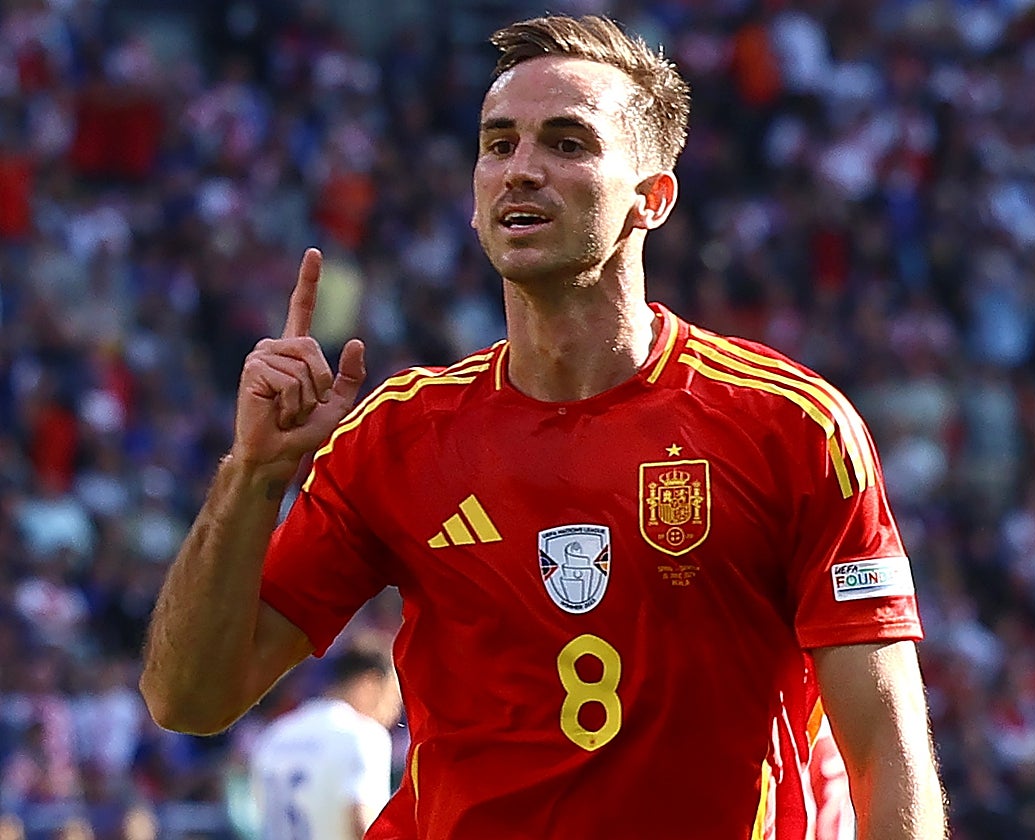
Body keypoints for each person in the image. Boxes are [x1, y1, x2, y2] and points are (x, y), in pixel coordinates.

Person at [139, 13, 947, 839]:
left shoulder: (788, 427)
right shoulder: (396, 437)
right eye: (499, 144)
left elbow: (887, 754)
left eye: (567, 143)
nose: (521, 170)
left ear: (652, 198)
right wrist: (251, 476)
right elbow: (190, 700)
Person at [249, 647, 400, 839]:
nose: (394, 713)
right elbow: (364, 822)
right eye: (393, 697)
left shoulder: (275, 735)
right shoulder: (362, 734)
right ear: (368, 685)